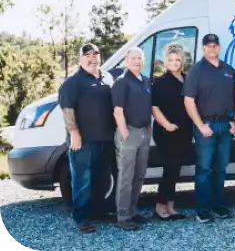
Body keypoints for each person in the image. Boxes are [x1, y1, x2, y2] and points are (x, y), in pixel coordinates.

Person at [58, 43, 116, 233]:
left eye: (95, 54)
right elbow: (67, 110)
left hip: (105, 139)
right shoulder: (73, 82)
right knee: (82, 180)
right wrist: (74, 133)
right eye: (88, 55)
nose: (92, 58)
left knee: (101, 179)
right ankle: (82, 219)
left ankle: (98, 213)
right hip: (83, 141)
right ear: (80, 59)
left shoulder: (107, 78)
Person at [184, 34, 235, 223]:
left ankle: (219, 205)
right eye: (208, 46)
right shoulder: (196, 71)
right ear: (203, 48)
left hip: (225, 125)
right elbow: (189, 101)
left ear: (219, 47)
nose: (212, 48)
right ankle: (203, 209)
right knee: (204, 169)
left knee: (221, 168)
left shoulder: (229, 70)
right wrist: (200, 125)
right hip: (206, 125)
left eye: (215, 45)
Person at [111, 47, 153, 230]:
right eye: (133, 58)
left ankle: (133, 211)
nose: (137, 61)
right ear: (127, 60)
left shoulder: (145, 80)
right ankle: (123, 216)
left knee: (140, 174)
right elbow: (117, 111)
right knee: (126, 176)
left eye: (140, 58)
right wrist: (125, 133)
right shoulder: (121, 82)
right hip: (129, 133)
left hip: (144, 132)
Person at [150, 44, 193, 220]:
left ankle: (171, 206)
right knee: (170, 169)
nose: (174, 63)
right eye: (170, 60)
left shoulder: (187, 79)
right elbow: (154, 107)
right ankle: (159, 207)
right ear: (165, 62)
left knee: (176, 170)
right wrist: (166, 125)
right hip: (166, 132)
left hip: (184, 131)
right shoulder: (160, 82)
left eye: (177, 59)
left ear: (182, 61)